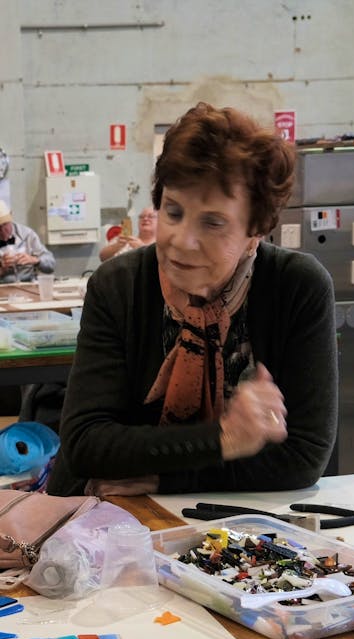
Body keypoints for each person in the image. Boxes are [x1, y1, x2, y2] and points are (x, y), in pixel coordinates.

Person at [48, 101, 338, 498]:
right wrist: (225, 439)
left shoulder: (297, 288)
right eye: (173, 211)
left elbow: (303, 456)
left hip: (234, 518)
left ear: (257, 229)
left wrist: (166, 478)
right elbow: (86, 444)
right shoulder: (119, 285)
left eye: (212, 222)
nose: (181, 241)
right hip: (109, 515)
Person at [0, 201, 55, 283]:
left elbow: (51, 265)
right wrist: (2, 268)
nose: (3, 231)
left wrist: (35, 260)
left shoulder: (27, 235)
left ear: (11, 215)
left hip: (28, 285)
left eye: (5, 224)